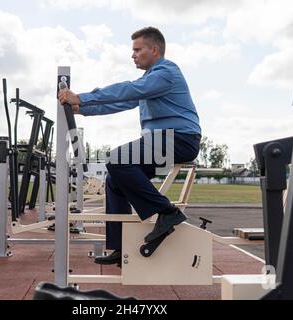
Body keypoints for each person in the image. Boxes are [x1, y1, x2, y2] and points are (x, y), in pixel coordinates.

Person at [58, 26, 201, 266]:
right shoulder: (150, 80)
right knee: (115, 180)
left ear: (154, 50)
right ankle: (119, 246)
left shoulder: (166, 72)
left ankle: (167, 213)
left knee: (116, 160)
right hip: (162, 140)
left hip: (181, 139)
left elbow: (129, 89)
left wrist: (82, 97)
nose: (132, 55)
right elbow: (120, 103)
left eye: (137, 49)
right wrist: (82, 109)